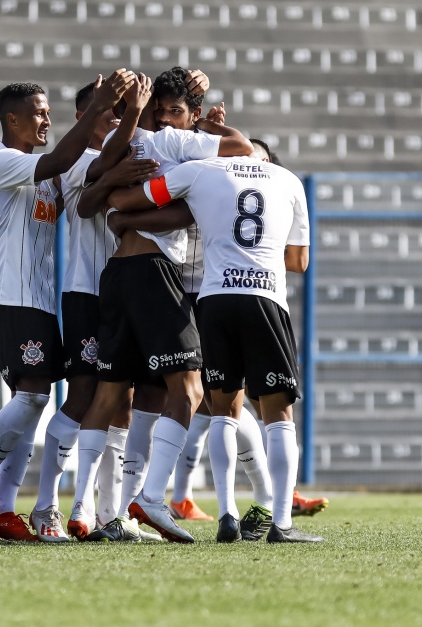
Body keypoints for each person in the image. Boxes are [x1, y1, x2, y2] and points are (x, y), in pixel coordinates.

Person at [69, 67, 253, 544]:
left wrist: (125, 214)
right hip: (155, 274)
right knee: (191, 390)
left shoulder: (129, 144)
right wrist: (205, 126)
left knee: (111, 395)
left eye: (176, 111)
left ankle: (83, 510)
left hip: (118, 274)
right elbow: (244, 149)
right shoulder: (177, 143)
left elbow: (100, 204)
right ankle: (151, 500)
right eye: (163, 110)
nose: (168, 119)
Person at [106, 143, 324, 543]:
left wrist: (118, 213)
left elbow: (130, 199)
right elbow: (298, 261)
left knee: (222, 411)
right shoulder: (288, 180)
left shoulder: (203, 170)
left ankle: (227, 511)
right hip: (265, 298)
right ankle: (282, 523)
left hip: (214, 300)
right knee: (278, 415)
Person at [0, 71, 136, 542]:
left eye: (48, 112)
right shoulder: (1, 163)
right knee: (33, 396)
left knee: (31, 405)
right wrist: (100, 107)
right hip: (10, 295)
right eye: (37, 113)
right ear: (11, 120)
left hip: (40, 301)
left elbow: (68, 169)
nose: (44, 119)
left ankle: (6, 506)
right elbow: (60, 158)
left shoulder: (48, 178)